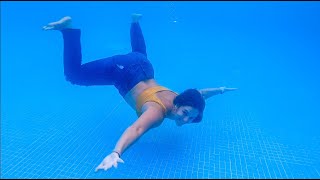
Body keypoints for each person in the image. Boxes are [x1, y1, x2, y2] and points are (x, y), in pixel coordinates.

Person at [43, 14, 237, 172]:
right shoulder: (157, 112)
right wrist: (116, 153)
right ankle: (68, 30)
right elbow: (136, 129)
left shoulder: (185, 97)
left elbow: (200, 93)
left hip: (143, 65)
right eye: (185, 113)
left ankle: (135, 22)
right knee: (74, 75)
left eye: (191, 118)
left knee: (140, 55)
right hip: (121, 71)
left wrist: (219, 90)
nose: (185, 120)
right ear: (177, 105)